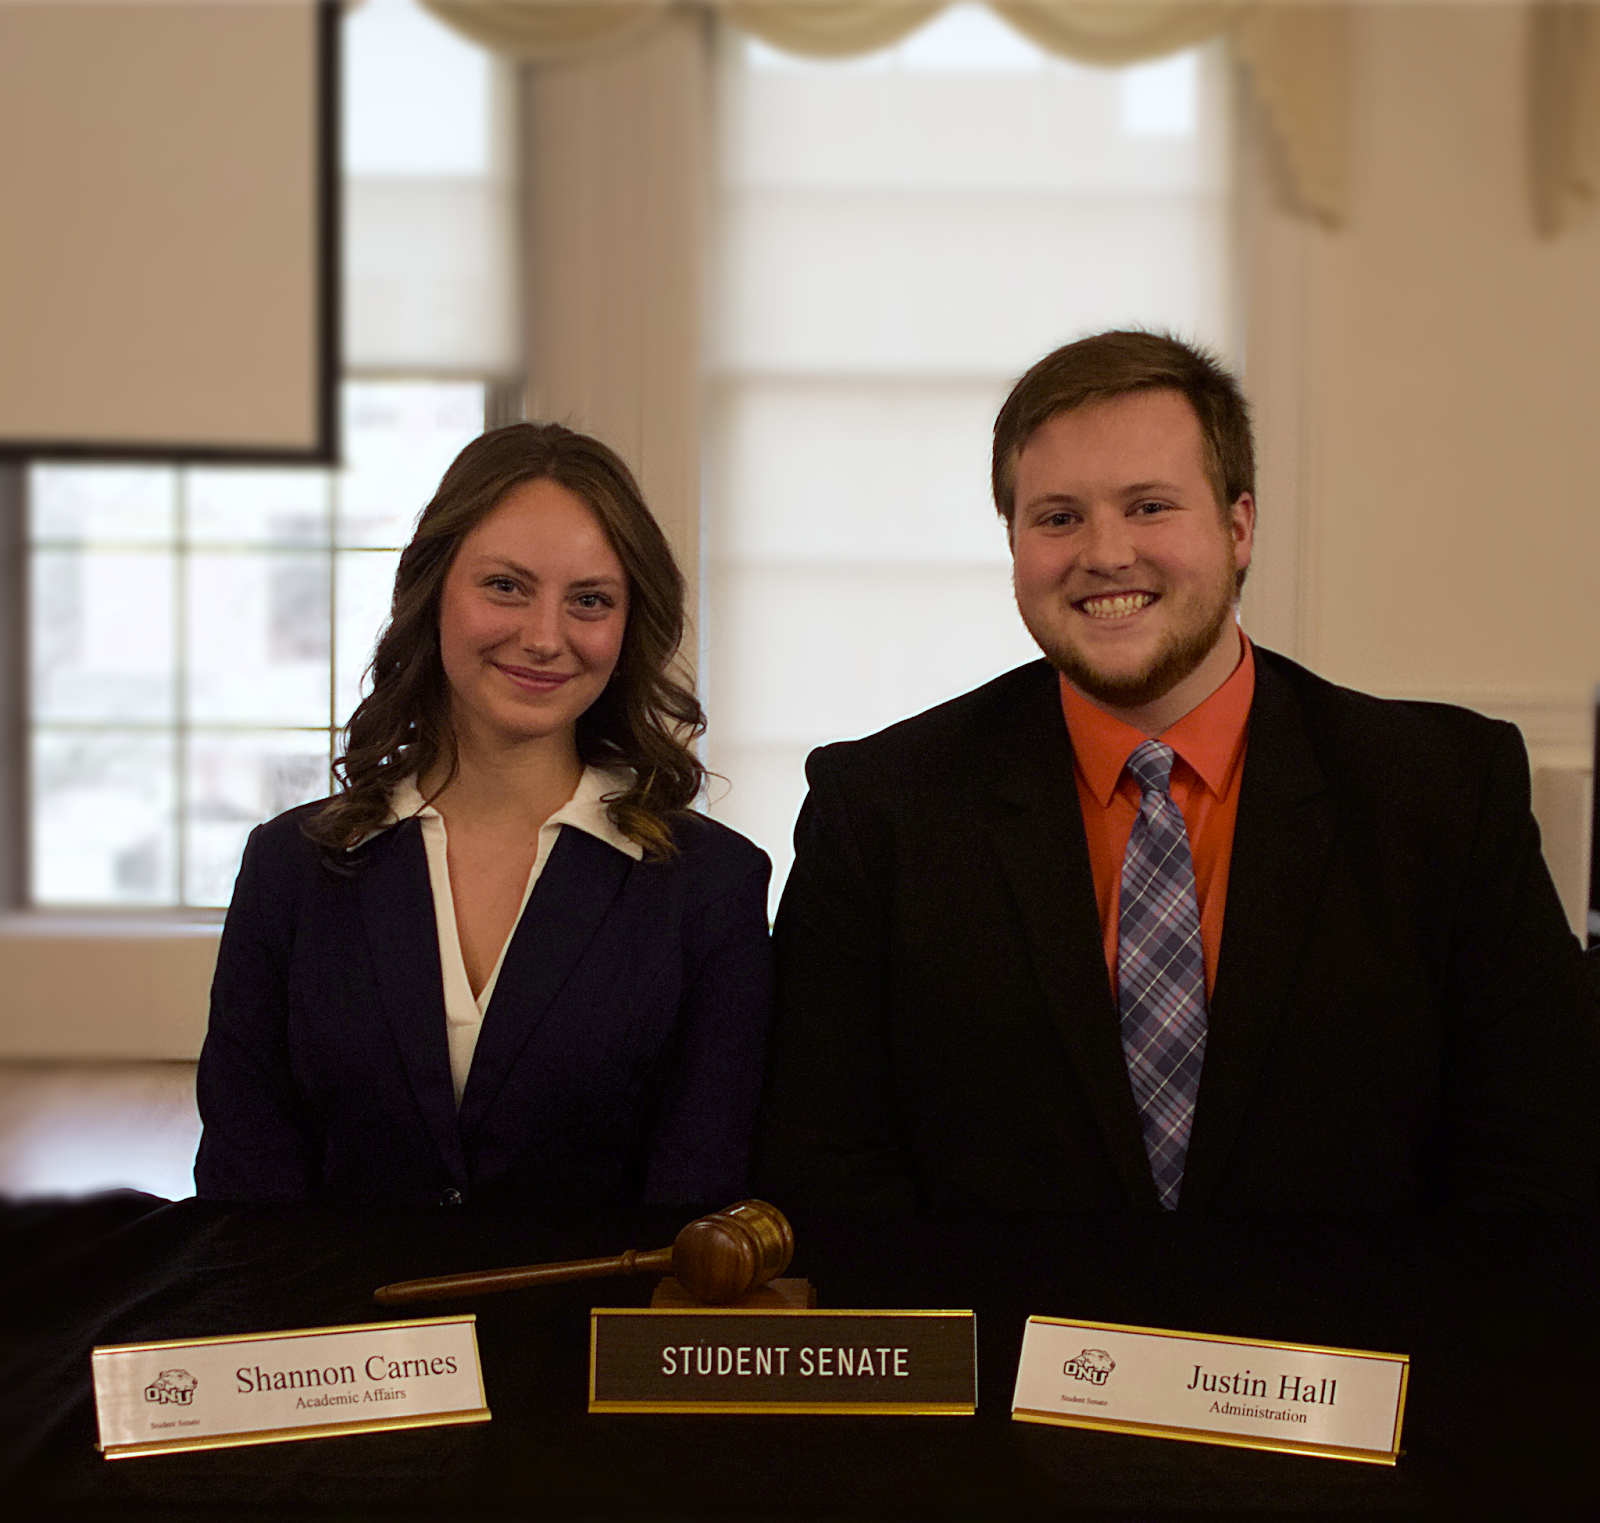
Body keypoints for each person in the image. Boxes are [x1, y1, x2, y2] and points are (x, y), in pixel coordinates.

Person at [758, 330, 1598, 1212]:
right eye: (1058, 517)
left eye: (1150, 506)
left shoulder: (1443, 791)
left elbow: (1537, 1170)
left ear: (1239, 527)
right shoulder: (879, 808)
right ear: (1014, 542)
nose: (1106, 552)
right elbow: (826, 1181)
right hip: (992, 1309)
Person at [195, 423, 772, 1209]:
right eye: (505, 585)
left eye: (590, 600)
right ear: (430, 591)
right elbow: (243, 1187)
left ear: (629, 623)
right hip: (329, 1293)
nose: (544, 637)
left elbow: (700, 1202)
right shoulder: (289, 867)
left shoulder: (711, 886)